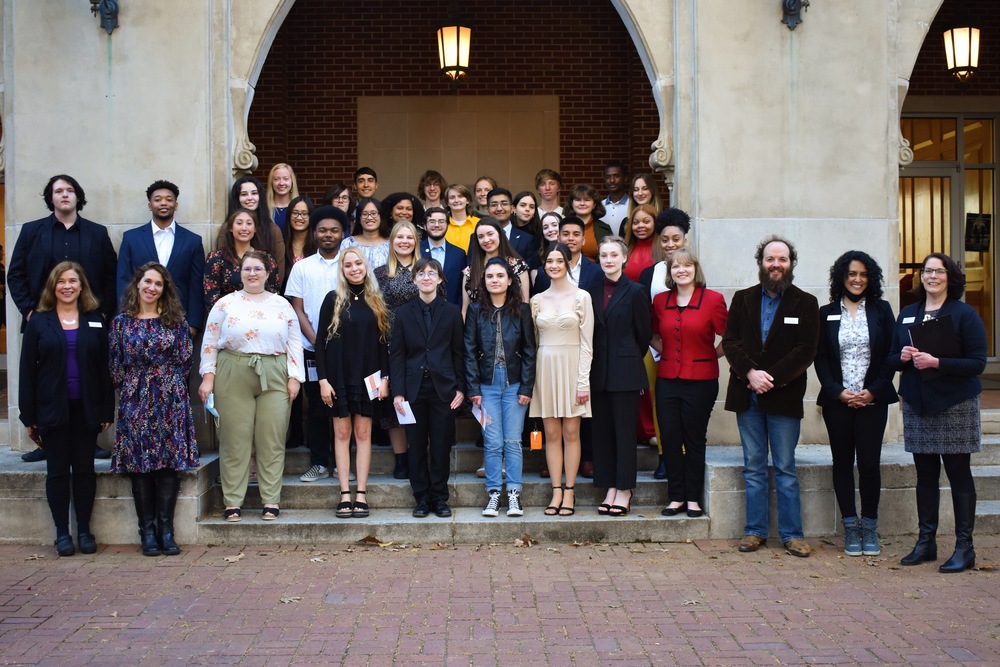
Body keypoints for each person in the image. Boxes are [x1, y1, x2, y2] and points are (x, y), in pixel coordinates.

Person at [888, 253, 986, 573]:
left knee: (958, 474)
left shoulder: (964, 314)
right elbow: (890, 359)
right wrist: (901, 356)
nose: (932, 276)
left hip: (955, 403)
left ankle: (964, 547)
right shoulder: (907, 314)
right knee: (925, 475)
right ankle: (926, 542)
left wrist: (937, 362)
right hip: (919, 403)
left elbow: (977, 364)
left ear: (950, 277)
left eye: (939, 271)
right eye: (927, 271)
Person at [9, 175, 117, 463]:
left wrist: (103, 312)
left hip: (87, 319)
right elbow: (16, 274)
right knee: (45, 377)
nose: (64, 195)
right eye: (58, 191)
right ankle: (45, 441)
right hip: (43, 321)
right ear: (51, 198)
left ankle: (88, 441)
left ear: (77, 196)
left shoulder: (96, 232)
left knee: (87, 375)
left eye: (69, 190)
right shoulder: (32, 232)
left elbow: (111, 275)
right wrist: (29, 311)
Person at [722, 236, 818, 557]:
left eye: (782, 259)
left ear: (791, 263)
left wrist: (770, 379)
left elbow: (805, 351)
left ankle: (792, 534)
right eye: (769, 259)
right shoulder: (742, 298)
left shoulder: (805, 303)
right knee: (753, 466)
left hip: (784, 397)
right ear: (760, 262)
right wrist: (750, 373)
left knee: (786, 468)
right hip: (746, 394)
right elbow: (731, 342)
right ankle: (754, 531)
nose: (776, 264)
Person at [198, 251, 305, 522]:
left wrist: (295, 377)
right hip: (233, 370)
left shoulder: (282, 305)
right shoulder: (225, 304)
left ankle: (271, 500)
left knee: (272, 437)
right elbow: (210, 340)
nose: (253, 273)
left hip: (274, 372)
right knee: (235, 438)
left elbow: (294, 342)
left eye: (258, 269)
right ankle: (233, 501)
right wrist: (208, 376)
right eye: (247, 269)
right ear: (240, 273)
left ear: (268, 273)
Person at [19, 262, 114, 556]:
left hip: (86, 409)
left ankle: (84, 529)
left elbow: (103, 369)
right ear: (53, 286)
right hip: (52, 410)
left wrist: (107, 411)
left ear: (82, 285)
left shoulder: (94, 319)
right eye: (61, 281)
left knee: (84, 471)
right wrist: (28, 414)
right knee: (57, 472)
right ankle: (62, 532)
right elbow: (27, 371)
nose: (67, 286)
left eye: (73, 280)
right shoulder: (39, 322)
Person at [110, 262, 199, 556]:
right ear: (138, 284)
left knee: (167, 464)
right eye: (148, 281)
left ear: (165, 289)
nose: (152, 288)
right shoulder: (121, 322)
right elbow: (115, 365)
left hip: (170, 397)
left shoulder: (176, 321)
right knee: (141, 465)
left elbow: (186, 360)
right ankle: (147, 532)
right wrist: (138, 386)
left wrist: (165, 381)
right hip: (135, 399)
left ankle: (167, 530)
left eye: (158, 284)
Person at [815, 251, 897, 556]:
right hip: (838, 402)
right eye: (851, 274)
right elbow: (820, 357)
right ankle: (851, 526)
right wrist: (837, 391)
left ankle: (870, 526)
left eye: (863, 274)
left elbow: (892, 353)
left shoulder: (881, 310)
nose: (857, 279)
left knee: (869, 464)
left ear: (870, 278)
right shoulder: (826, 313)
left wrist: (874, 391)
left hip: (873, 401)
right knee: (842, 462)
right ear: (842, 277)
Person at [316, 247, 391, 519]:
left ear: (366, 265)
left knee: (363, 435)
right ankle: (344, 493)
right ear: (342, 269)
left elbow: (384, 345)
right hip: (338, 377)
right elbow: (319, 344)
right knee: (342, 434)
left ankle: (361, 493)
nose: (354, 268)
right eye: (348, 265)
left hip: (368, 376)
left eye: (358, 263)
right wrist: (323, 380)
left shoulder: (376, 300)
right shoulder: (332, 299)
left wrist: (385, 379)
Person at [652, 249, 728, 518]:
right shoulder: (661, 301)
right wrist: (666, 351)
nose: (681, 270)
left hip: (702, 381)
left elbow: (729, 336)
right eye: (675, 267)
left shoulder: (713, 300)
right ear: (669, 272)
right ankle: (676, 497)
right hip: (667, 380)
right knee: (670, 438)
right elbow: (651, 333)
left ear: (696, 269)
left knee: (694, 439)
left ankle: (693, 498)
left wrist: (711, 355)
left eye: (686, 266)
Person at [390, 257, 466, 519]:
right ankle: (421, 498)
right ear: (414, 280)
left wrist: (461, 388)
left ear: (440, 279)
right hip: (412, 390)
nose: (426, 277)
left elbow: (459, 353)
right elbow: (397, 355)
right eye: (420, 273)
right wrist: (398, 391)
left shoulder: (453, 312)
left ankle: (440, 498)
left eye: (431, 273)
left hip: (444, 389)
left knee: (442, 445)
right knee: (416, 444)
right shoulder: (402, 313)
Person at [465, 258, 536, 518]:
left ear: (509, 280)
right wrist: (473, 387)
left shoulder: (523, 310)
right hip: (486, 385)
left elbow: (529, 350)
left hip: (515, 383)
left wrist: (527, 386)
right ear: (484, 281)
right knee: (493, 443)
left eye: (499, 276)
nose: (494, 280)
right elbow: (470, 351)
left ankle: (514, 494)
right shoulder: (475, 310)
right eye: (489, 276)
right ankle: (494, 494)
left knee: (514, 441)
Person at [587, 236, 650, 517]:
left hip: (625, 372)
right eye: (603, 255)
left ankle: (624, 489)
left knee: (625, 433)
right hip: (597, 372)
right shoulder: (589, 290)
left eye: (614, 255)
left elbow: (643, 336)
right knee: (603, 433)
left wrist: (626, 357)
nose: (608, 260)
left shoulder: (636, 291)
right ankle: (609, 485)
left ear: (624, 258)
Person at [530, 243, 594, 516]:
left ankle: (570, 491)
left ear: (569, 262)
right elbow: (534, 342)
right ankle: (555, 491)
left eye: (559, 260)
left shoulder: (582, 297)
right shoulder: (537, 300)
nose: (554, 265)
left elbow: (587, 344)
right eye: (549, 261)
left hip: (572, 368)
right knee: (551, 434)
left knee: (571, 433)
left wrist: (583, 381)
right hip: (545, 369)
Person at [285, 206, 348, 482]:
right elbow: (296, 309)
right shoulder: (302, 267)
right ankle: (320, 462)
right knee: (317, 406)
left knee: (347, 405)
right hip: (310, 349)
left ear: (343, 234)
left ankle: (345, 464)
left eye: (334, 230)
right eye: (322, 230)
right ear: (314, 233)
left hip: (347, 350)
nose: (328, 235)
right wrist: (317, 341)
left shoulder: (351, 264)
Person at [376, 221, 438, 479]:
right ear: (392, 241)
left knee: (419, 397)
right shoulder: (380, 273)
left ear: (416, 241)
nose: (404, 241)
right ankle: (401, 458)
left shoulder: (427, 269)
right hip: (390, 340)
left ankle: (419, 455)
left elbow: (438, 302)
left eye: (409, 237)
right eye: (399, 237)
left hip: (422, 342)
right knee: (395, 400)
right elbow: (376, 308)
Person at [639, 208, 693, 476]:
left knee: (683, 404)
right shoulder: (650, 274)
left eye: (676, 238)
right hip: (655, 348)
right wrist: (656, 345)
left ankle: (682, 455)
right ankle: (663, 455)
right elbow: (644, 315)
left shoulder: (694, 272)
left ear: (685, 239)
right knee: (659, 403)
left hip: (687, 351)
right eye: (665, 239)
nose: (670, 244)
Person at [116, 180, 206, 336]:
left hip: (179, 320)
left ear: (176, 205)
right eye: (157, 199)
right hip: (138, 319)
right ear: (150, 205)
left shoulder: (193, 241)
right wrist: (126, 314)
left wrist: (194, 323)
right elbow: (123, 279)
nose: (163, 203)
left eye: (169, 199)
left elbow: (196, 285)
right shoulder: (131, 238)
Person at [204, 208, 279, 307]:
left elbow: (273, 295)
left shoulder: (267, 259)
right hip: (227, 316)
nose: (244, 228)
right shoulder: (216, 258)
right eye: (239, 223)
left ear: (255, 228)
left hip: (260, 315)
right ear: (231, 227)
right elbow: (211, 298)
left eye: (249, 223)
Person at [462, 218, 531, 319]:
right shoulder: (470, 271)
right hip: (479, 329)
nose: (486, 240)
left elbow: (524, 304)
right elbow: (465, 310)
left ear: (500, 234)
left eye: (490, 234)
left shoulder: (518, 266)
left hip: (512, 327)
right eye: (481, 237)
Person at [228, 175, 286, 279]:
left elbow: (279, 272)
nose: (250, 198)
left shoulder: (273, 230)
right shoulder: (227, 230)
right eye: (244, 194)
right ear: (237, 198)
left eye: (254, 193)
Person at [530, 216, 603, 295]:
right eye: (566, 234)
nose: (571, 238)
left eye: (576, 234)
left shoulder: (597, 271)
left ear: (583, 240)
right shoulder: (543, 272)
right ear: (558, 238)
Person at [420, 206, 467, 306]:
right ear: (424, 226)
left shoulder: (459, 254)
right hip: (421, 311)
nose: (437, 225)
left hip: (451, 313)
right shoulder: (416, 250)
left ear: (447, 225)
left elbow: (462, 288)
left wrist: (458, 311)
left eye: (441, 221)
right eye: (432, 221)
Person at [485, 188, 538, 260]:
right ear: (488, 209)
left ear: (512, 208)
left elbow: (532, 269)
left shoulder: (527, 239)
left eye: (504, 204)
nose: (499, 209)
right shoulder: (477, 237)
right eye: (494, 205)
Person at [340, 197, 391, 269]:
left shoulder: (390, 245)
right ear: (359, 219)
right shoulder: (348, 243)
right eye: (364, 214)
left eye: (374, 213)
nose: (369, 217)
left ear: (381, 217)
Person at [280, 195, 317, 291]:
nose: (299, 217)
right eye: (295, 213)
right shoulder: (281, 243)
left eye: (304, 214)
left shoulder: (318, 245)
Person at [566, 184, 611, 261]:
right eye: (578, 200)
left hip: (596, 271)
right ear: (572, 204)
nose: (582, 203)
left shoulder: (604, 229)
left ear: (594, 204)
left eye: (587, 200)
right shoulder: (562, 226)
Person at [622, 204, 657, 282]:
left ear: (655, 223)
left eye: (646, 221)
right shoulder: (624, 249)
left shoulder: (663, 249)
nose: (640, 225)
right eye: (635, 222)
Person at [444, 184, 480, 252]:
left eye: (460, 196)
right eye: (452, 197)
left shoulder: (478, 223)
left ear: (467, 201)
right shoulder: (443, 225)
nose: (456, 200)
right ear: (447, 202)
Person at [530, 211, 562, 284]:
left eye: (554, 225)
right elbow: (537, 286)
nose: (550, 230)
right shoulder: (537, 257)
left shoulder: (572, 251)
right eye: (545, 227)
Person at [267, 163, 300, 230]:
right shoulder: (265, 208)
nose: (281, 183)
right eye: (276, 179)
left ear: (292, 181)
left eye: (286, 179)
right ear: (271, 183)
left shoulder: (300, 207)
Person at [600, 160, 630, 232]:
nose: (612, 180)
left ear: (625, 178)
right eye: (608, 177)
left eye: (616, 176)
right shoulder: (599, 206)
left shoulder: (633, 205)